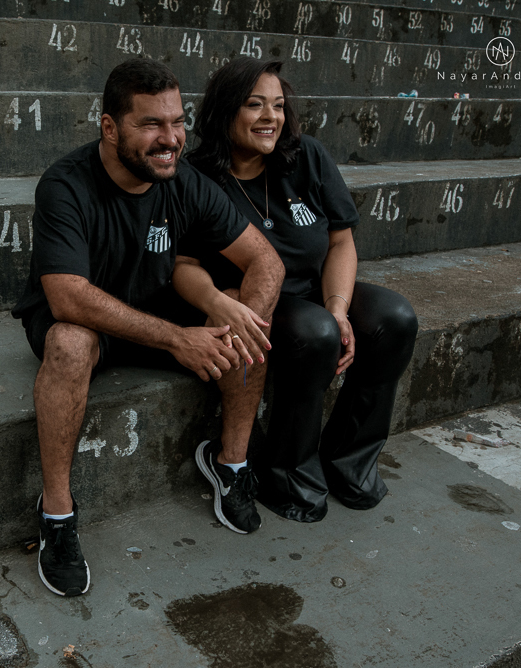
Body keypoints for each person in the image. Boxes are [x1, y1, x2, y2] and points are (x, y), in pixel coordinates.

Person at [12, 59, 284, 597]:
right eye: (151, 125)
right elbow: (67, 295)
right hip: (87, 322)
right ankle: (57, 516)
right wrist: (178, 338)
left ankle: (231, 464)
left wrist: (237, 326)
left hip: (156, 311)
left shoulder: (184, 182)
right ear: (110, 128)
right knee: (68, 343)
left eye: (178, 122)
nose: (171, 139)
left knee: (242, 310)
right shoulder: (65, 185)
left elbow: (267, 262)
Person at [175, 57, 419, 523]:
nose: (271, 117)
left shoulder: (306, 156)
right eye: (255, 105)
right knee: (316, 333)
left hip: (317, 291)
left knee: (395, 319)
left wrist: (339, 307)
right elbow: (183, 264)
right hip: (255, 302)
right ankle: (286, 473)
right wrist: (221, 302)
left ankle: (349, 462)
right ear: (226, 111)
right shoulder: (198, 176)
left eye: (279, 106)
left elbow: (341, 240)